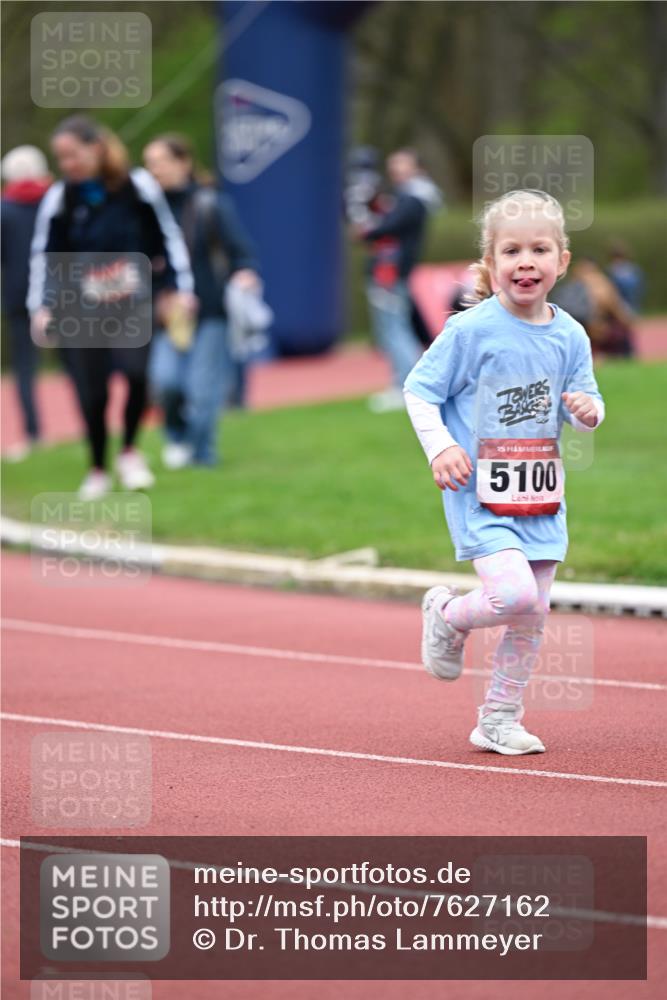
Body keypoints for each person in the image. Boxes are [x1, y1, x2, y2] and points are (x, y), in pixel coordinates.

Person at [403, 190, 605, 756]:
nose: (525, 261)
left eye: (539, 249)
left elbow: (584, 399)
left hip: (541, 494)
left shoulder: (570, 335)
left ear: (561, 261)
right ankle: (447, 614)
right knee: (515, 595)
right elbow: (419, 390)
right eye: (510, 250)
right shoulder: (471, 330)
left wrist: (589, 411)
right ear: (490, 266)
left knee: (533, 613)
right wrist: (440, 448)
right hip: (478, 490)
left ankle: (498, 718)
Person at [27, 116, 195, 500]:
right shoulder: (61, 196)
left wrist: (178, 287)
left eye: (73, 154)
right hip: (80, 307)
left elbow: (165, 238)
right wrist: (43, 305)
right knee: (94, 394)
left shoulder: (138, 187)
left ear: (97, 147)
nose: (68, 164)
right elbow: (45, 254)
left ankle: (130, 450)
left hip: (131, 301)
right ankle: (98, 467)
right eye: (61, 158)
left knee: (137, 375)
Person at [143, 134, 261, 468]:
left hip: (210, 311)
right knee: (165, 382)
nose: (154, 170)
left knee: (202, 389)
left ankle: (202, 455)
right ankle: (178, 438)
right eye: (149, 164)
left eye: (160, 162)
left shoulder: (210, 203)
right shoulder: (147, 211)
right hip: (168, 316)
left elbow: (242, 252)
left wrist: (245, 273)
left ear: (183, 162)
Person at [356, 148, 442, 413]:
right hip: (389, 272)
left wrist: (367, 229)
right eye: (393, 165)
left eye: (402, 165)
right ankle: (403, 384)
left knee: (395, 329)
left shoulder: (414, 199)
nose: (396, 171)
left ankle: (407, 386)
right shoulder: (403, 196)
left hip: (392, 273)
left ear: (417, 167)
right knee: (392, 329)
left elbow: (387, 226)